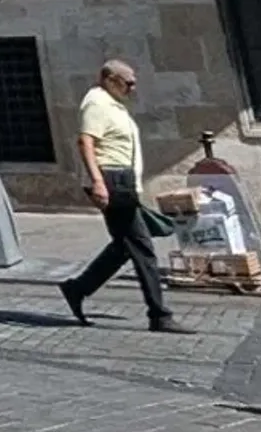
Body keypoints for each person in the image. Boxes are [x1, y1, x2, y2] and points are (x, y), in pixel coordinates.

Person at [59, 58, 189, 334]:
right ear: (109, 79)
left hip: (123, 181)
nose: (132, 88)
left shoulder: (113, 105)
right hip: (111, 179)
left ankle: (78, 288)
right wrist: (98, 182)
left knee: (124, 246)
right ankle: (159, 315)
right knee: (141, 247)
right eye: (128, 83)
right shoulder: (96, 102)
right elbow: (86, 141)